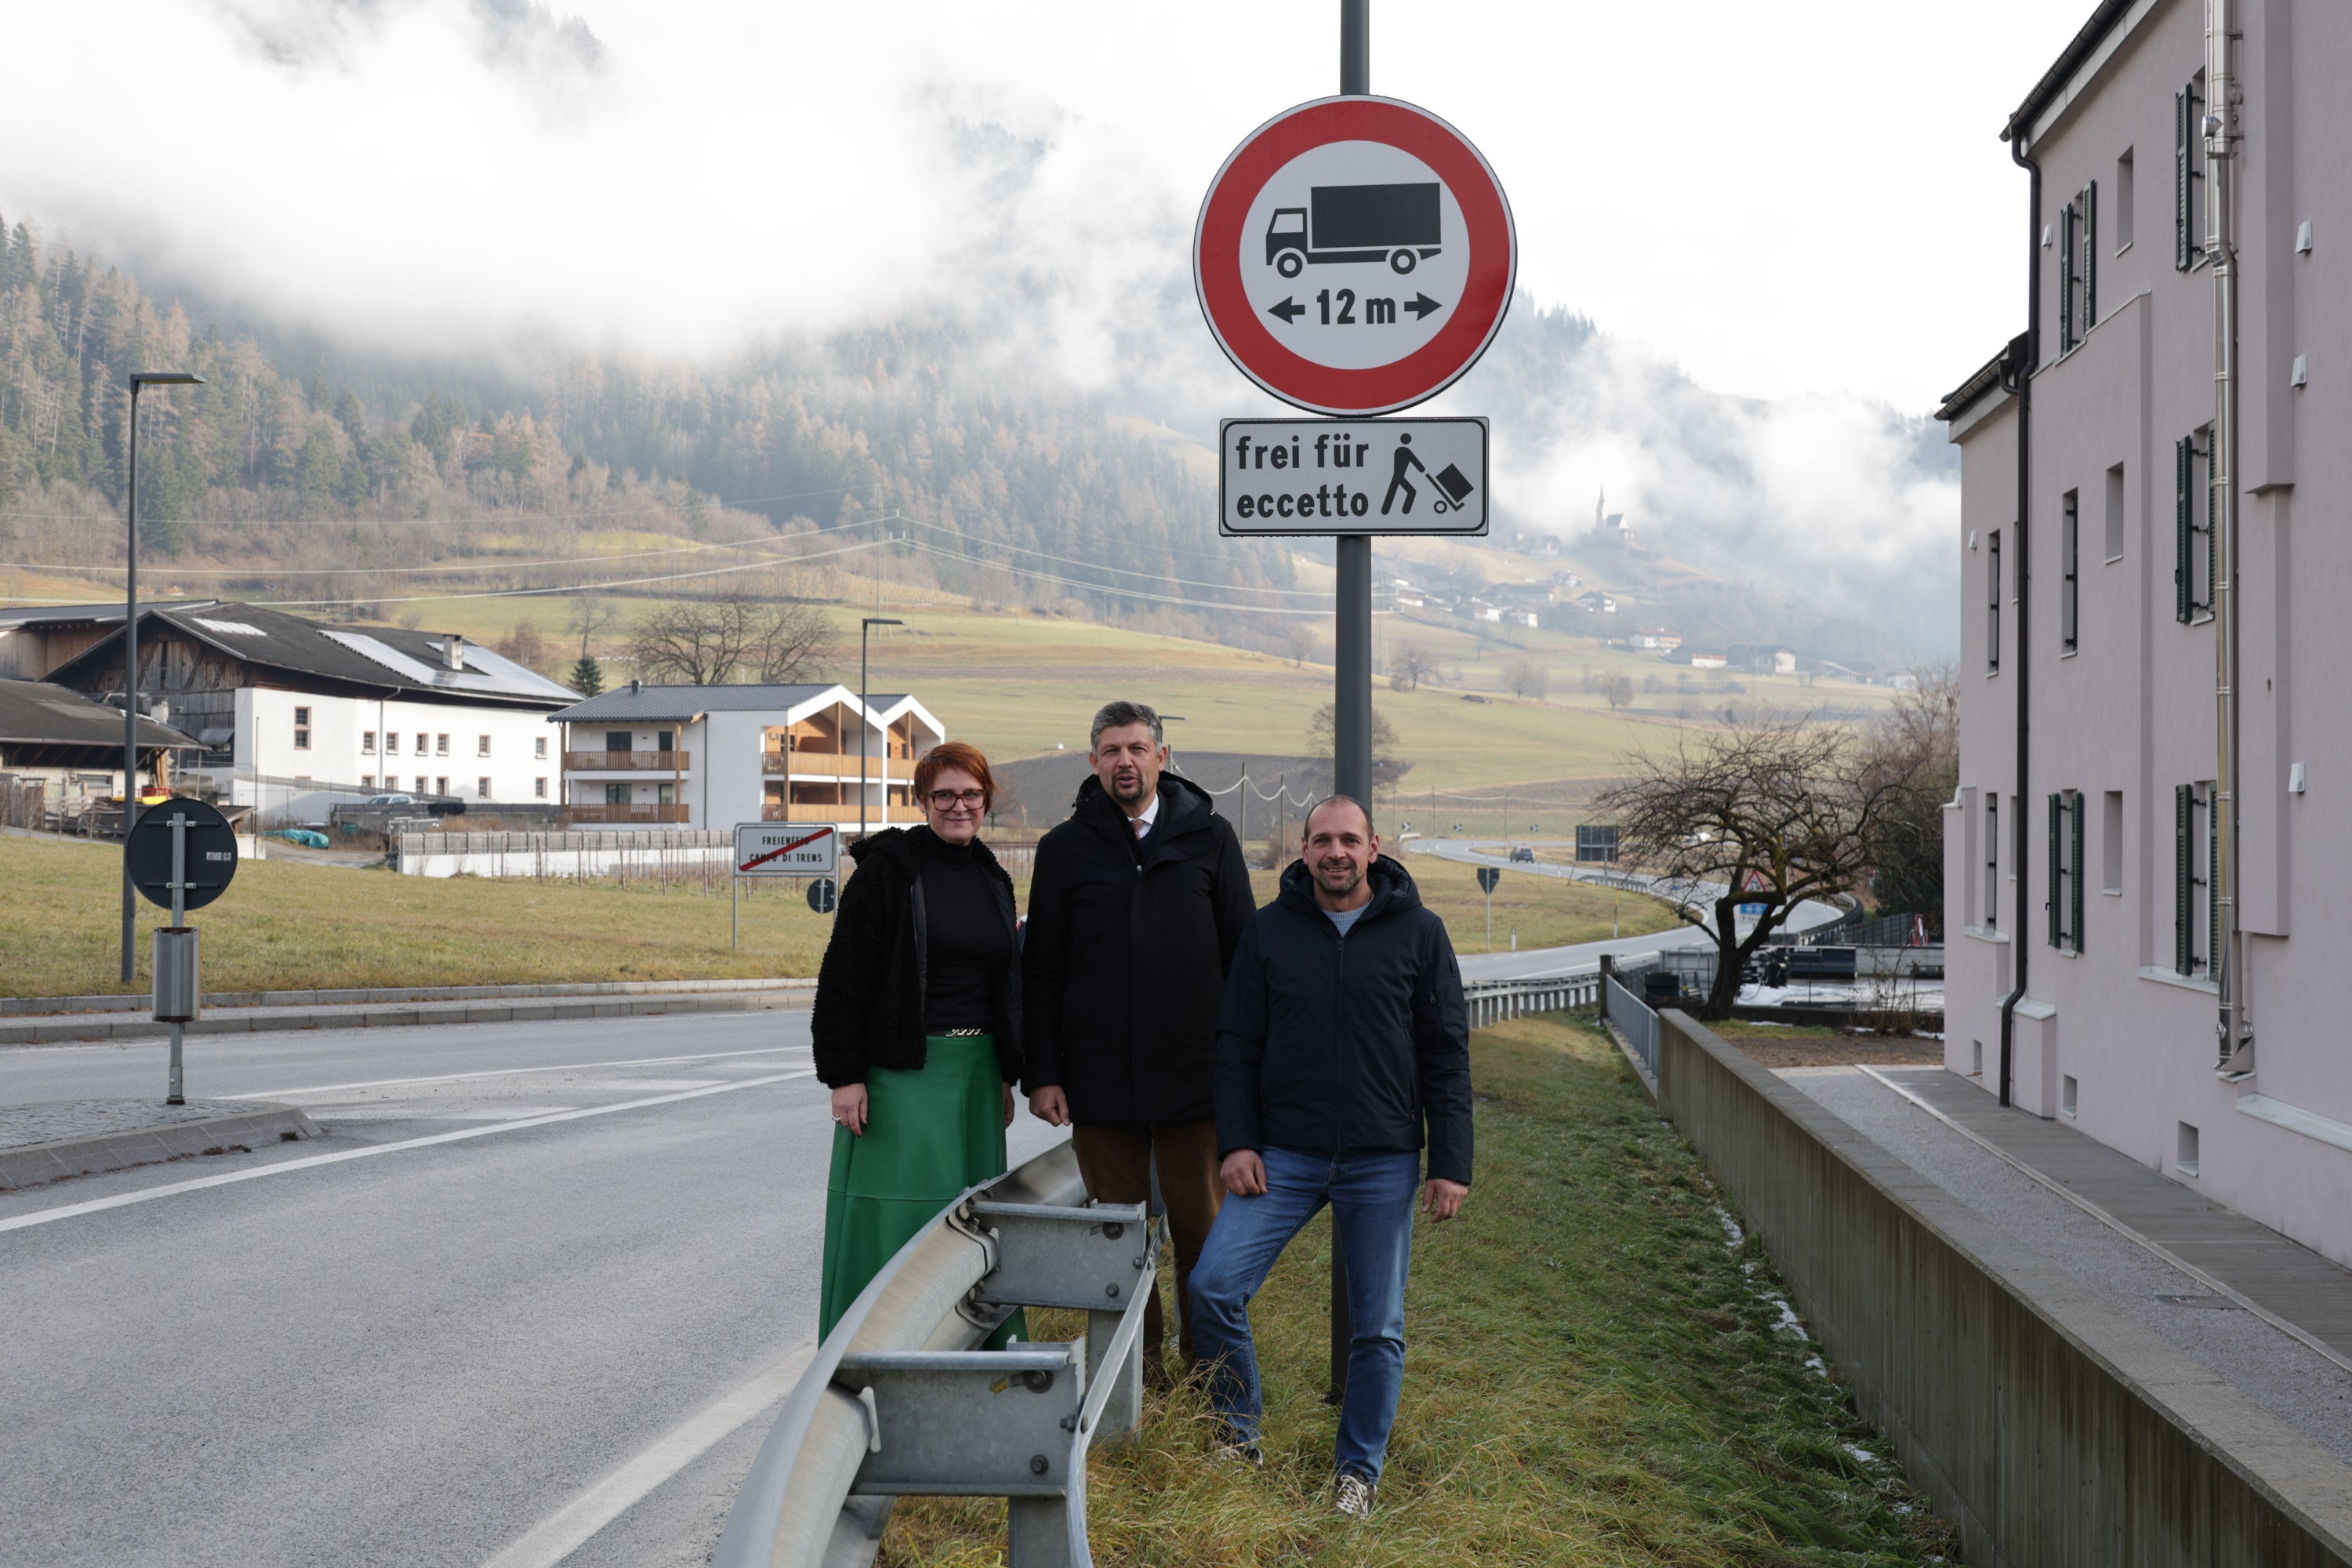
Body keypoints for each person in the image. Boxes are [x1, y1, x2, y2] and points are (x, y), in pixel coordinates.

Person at [1189, 795, 1472, 1520]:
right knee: (1214, 1287)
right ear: (1304, 850)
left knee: (1377, 1325)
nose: (1336, 852)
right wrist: (1238, 1143)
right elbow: (1237, 1047)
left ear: (1374, 846)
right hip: (1282, 1154)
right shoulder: (1269, 932)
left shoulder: (1420, 933)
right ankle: (1237, 1434)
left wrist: (1451, 1162)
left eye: (1349, 839)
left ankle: (1358, 1473)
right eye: (1322, 840)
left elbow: (1446, 1056)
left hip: (1382, 1160)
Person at [1022, 699, 1256, 1383]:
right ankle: (1138, 1380)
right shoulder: (1063, 849)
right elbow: (1042, 970)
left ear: (1162, 757)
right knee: (1117, 1242)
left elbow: (1245, 960)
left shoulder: (1209, 837)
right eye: (1111, 751)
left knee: (1203, 1241)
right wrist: (1044, 1073)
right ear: (1093, 763)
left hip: (1195, 1080)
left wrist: (1244, 1071)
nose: (1125, 761)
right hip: (1100, 1084)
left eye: (1137, 748)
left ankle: (1209, 1377)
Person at [810, 740, 1023, 1343]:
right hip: (905, 1076)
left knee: (973, 1229)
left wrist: (1003, 1074)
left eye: (971, 794)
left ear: (987, 800)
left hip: (977, 1077)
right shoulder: (888, 873)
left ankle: (974, 1359)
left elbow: (1001, 985)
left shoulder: (993, 877)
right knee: (900, 1224)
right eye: (945, 794)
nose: (959, 806)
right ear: (923, 800)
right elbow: (844, 978)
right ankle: (876, 1352)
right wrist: (845, 1076)